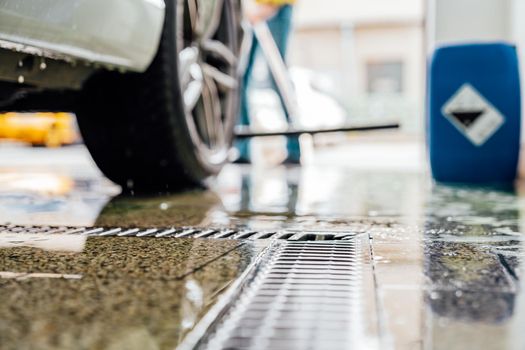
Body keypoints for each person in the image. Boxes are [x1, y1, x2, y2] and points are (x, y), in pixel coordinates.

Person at [235, 0, 301, 164]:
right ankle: (244, 149)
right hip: (253, 11)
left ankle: (294, 148)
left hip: (276, 7)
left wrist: (269, 7)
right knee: (240, 79)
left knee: (278, 77)